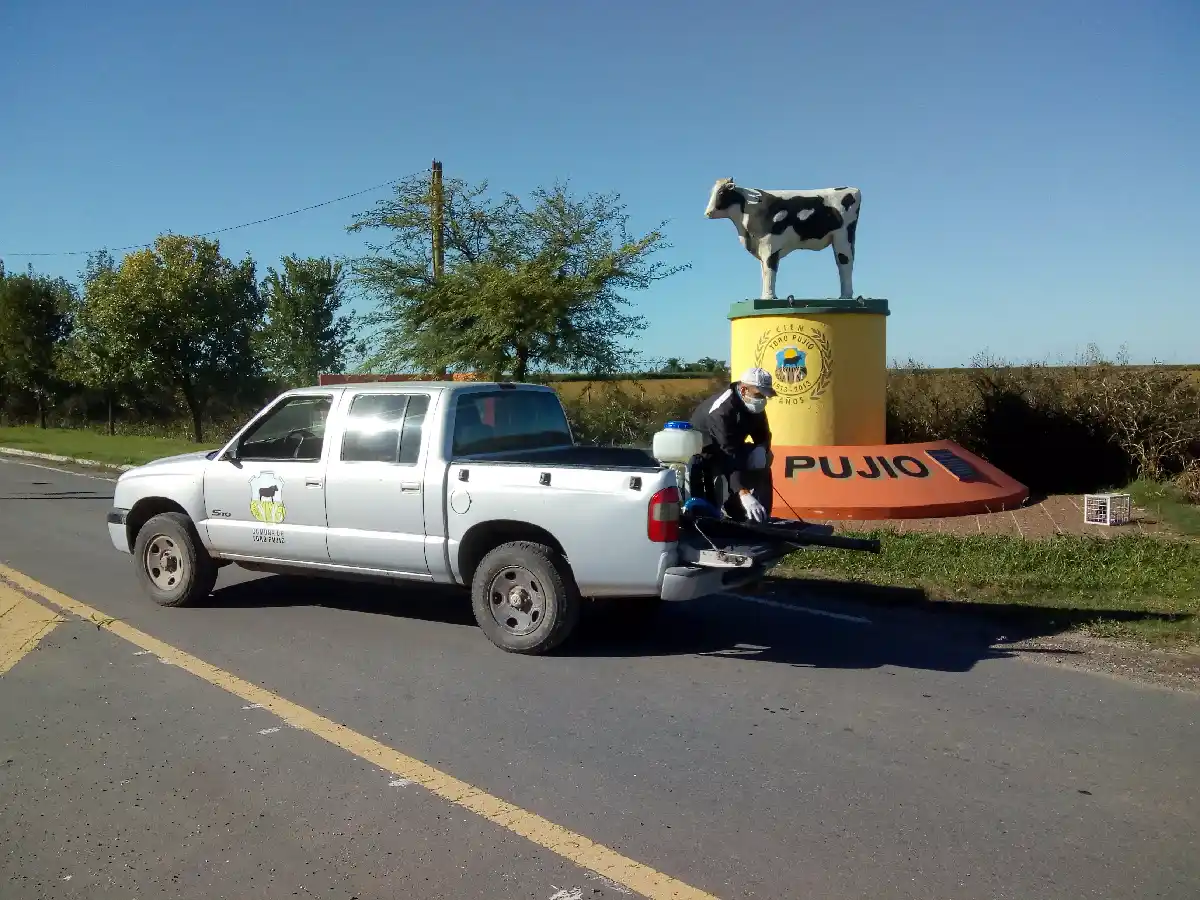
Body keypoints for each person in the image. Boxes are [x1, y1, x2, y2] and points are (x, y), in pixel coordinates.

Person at [687, 366, 775, 522]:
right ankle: (734, 507)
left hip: (733, 447)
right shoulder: (721, 411)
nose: (762, 399)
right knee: (732, 465)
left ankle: (760, 514)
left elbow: (763, 434)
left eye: (765, 396)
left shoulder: (755, 404)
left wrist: (761, 448)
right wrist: (743, 492)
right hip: (709, 451)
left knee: (765, 457)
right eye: (759, 394)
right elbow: (727, 453)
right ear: (743, 390)